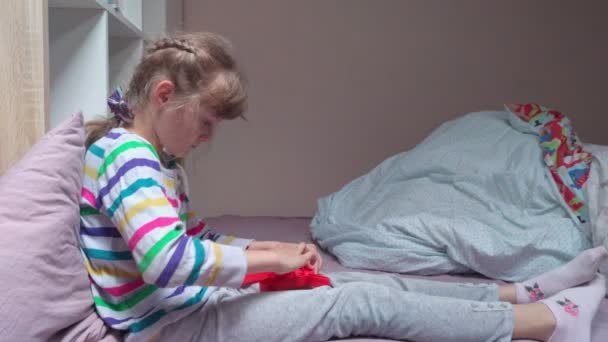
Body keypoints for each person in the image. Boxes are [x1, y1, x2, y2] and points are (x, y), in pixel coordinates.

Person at [78, 32, 607, 342]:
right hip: (174, 329)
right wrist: (268, 264)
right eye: (207, 121)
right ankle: (545, 323)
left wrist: (263, 248)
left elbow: (192, 238)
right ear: (165, 95)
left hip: (189, 304)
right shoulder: (128, 158)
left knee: (345, 280)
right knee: (357, 302)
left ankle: (519, 293)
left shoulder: (153, 160)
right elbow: (165, 262)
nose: (207, 136)